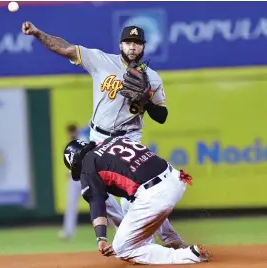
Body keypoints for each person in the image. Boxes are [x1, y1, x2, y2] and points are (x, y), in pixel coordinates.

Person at [22, 22, 185, 247]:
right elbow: (65, 48)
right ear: (120, 44)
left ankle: (170, 239)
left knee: (138, 194)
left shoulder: (153, 78)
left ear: (143, 48)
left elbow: (162, 116)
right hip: (97, 138)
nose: (132, 47)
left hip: (129, 138)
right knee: (95, 189)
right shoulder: (100, 60)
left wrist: (146, 100)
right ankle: (133, 239)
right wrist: (39, 34)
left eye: (137, 43)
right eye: (128, 42)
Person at [62, 137, 210, 264]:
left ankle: (188, 255)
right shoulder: (113, 140)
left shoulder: (88, 165)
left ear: (75, 162)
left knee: (121, 249)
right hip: (175, 178)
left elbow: (97, 203)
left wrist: (101, 238)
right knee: (135, 204)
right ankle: (175, 242)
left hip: (155, 194)